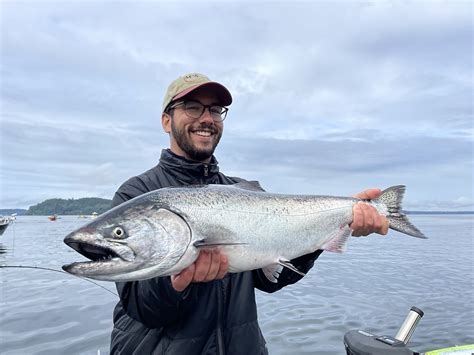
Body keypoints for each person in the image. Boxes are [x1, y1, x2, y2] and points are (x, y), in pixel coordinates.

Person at [109, 73, 389, 354]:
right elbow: (142, 309)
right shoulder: (138, 194)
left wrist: (332, 225)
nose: (207, 118)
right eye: (193, 107)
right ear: (166, 120)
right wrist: (175, 285)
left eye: (215, 110)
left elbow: (270, 279)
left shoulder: (245, 193)